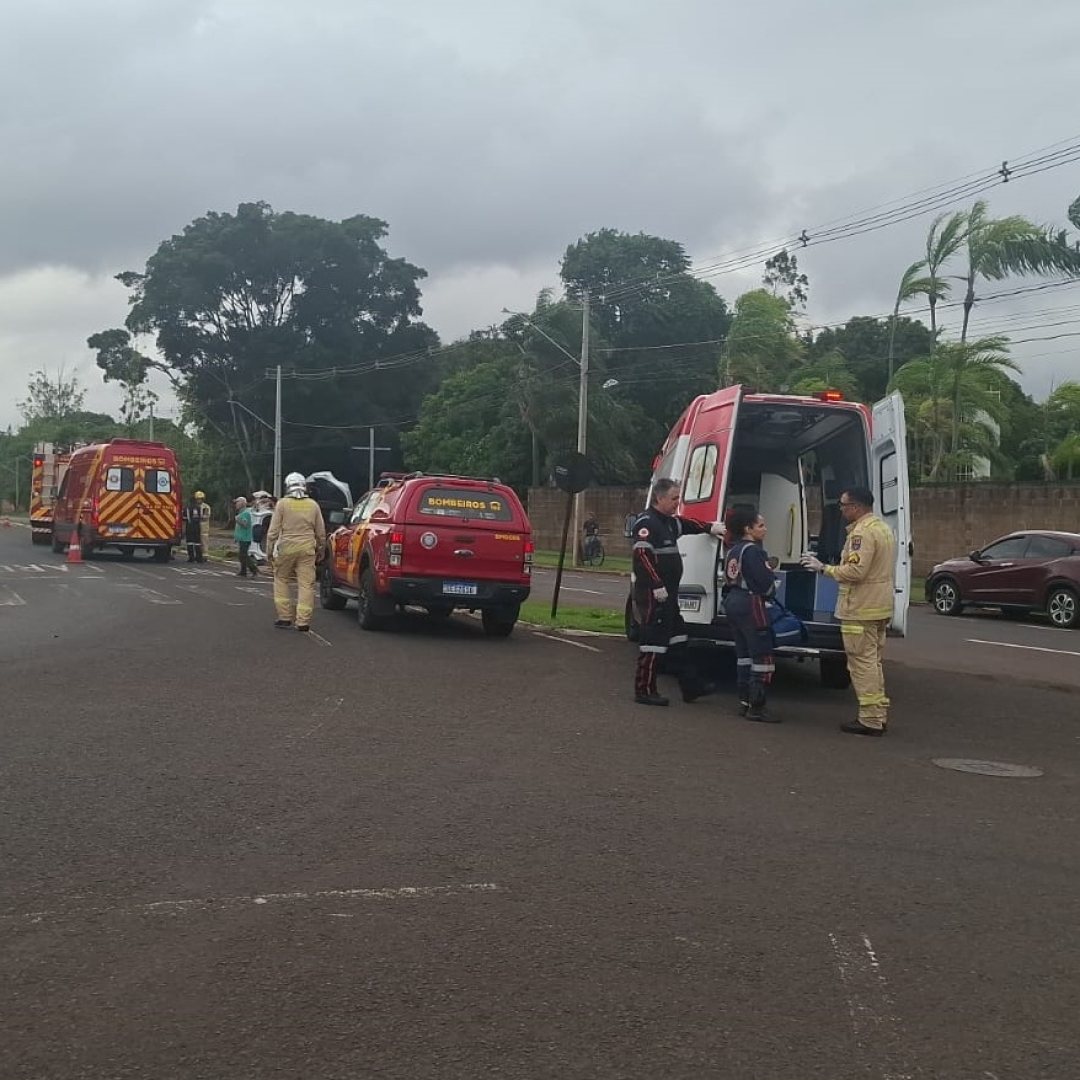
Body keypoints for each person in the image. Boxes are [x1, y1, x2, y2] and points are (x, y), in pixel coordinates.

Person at [801, 485, 897, 737]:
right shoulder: (882, 528)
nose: (841, 510)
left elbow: (855, 572)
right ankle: (877, 714)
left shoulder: (861, 535)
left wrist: (824, 568)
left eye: (843, 505)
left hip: (860, 608)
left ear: (856, 507)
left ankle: (869, 719)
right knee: (873, 663)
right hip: (879, 606)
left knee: (861, 665)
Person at [630, 478, 724, 706]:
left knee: (679, 640)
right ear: (659, 498)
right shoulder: (646, 523)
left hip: (669, 596)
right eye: (673, 498)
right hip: (654, 596)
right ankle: (644, 689)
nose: (677, 503)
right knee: (654, 642)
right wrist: (656, 584)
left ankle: (691, 686)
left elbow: (688, 524)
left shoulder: (670, 523)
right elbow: (642, 558)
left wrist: (709, 527)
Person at [722, 507, 779, 723]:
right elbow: (765, 582)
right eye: (761, 525)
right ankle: (757, 705)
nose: (765, 529)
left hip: (733, 601)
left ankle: (744, 700)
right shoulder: (753, 551)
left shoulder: (733, 550)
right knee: (762, 655)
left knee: (743, 655)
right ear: (748, 529)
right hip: (751, 603)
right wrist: (772, 589)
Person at [265, 471, 326, 632]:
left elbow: (273, 532)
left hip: (286, 548)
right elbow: (320, 532)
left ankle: (284, 618)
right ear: (304, 486)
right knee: (306, 584)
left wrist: (269, 552)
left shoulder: (282, 504)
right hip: (307, 549)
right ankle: (303, 622)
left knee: (281, 580)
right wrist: (321, 549)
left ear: (287, 486)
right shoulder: (313, 505)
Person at [232, 496, 259, 578]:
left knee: (243, 555)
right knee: (241, 555)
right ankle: (243, 571)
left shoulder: (245, 513)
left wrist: (238, 520)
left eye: (237, 502)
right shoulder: (242, 512)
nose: (236, 504)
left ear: (242, 503)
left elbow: (245, 525)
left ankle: (253, 569)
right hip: (242, 538)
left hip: (245, 538)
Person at [183, 492, 205, 563]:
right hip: (197, 527)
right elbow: (201, 517)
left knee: (190, 543)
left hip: (189, 527)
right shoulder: (199, 508)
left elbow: (184, 518)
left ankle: (191, 558)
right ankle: (199, 558)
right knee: (197, 543)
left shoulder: (187, 509)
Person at [195, 490, 211, 557]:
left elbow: (206, 517)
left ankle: (205, 555)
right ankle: (198, 555)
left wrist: (199, 517)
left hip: (204, 527)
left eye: (200, 499)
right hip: (196, 527)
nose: (199, 500)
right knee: (197, 542)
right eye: (197, 499)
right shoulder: (194, 506)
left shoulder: (206, 507)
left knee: (204, 541)